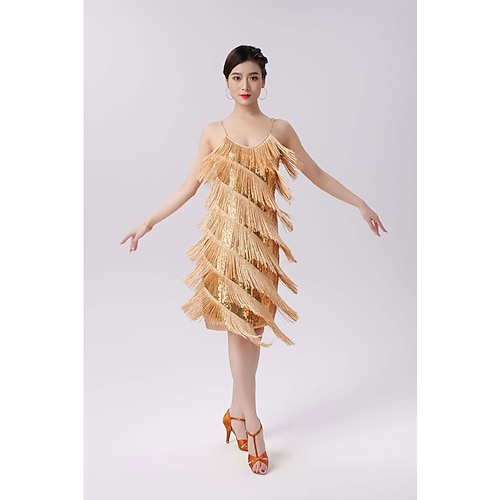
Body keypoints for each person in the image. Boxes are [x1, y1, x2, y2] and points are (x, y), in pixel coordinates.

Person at [120, 45, 387, 475]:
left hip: (263, 248)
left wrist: (360, 203)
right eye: (237, 77)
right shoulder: (213, 131)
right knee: (239, 332)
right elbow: (189, 185)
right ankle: (254, 425)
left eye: (253, 77)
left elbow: (316, 173)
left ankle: (234, 412)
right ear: (226, 83)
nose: (245, 85)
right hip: (226, 247)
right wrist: (147, 222)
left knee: (255, 330)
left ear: (264, 81)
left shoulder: (280, 129)